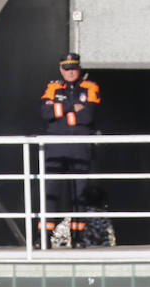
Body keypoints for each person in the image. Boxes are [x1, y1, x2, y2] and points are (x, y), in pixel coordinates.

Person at [38, 51, 101, 244]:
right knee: (50, 191)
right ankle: (43, 237)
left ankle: (78, 237)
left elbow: (88, 116)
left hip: (80, 146)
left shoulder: (90, 86)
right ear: (61, 70)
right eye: (67, 69)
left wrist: (61, 111)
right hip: (56, 146)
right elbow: (45, 113)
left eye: (73, 68)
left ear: (79, 68)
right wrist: (72, 108)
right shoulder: (52, 87)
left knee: (79, 192)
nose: (70, 72)